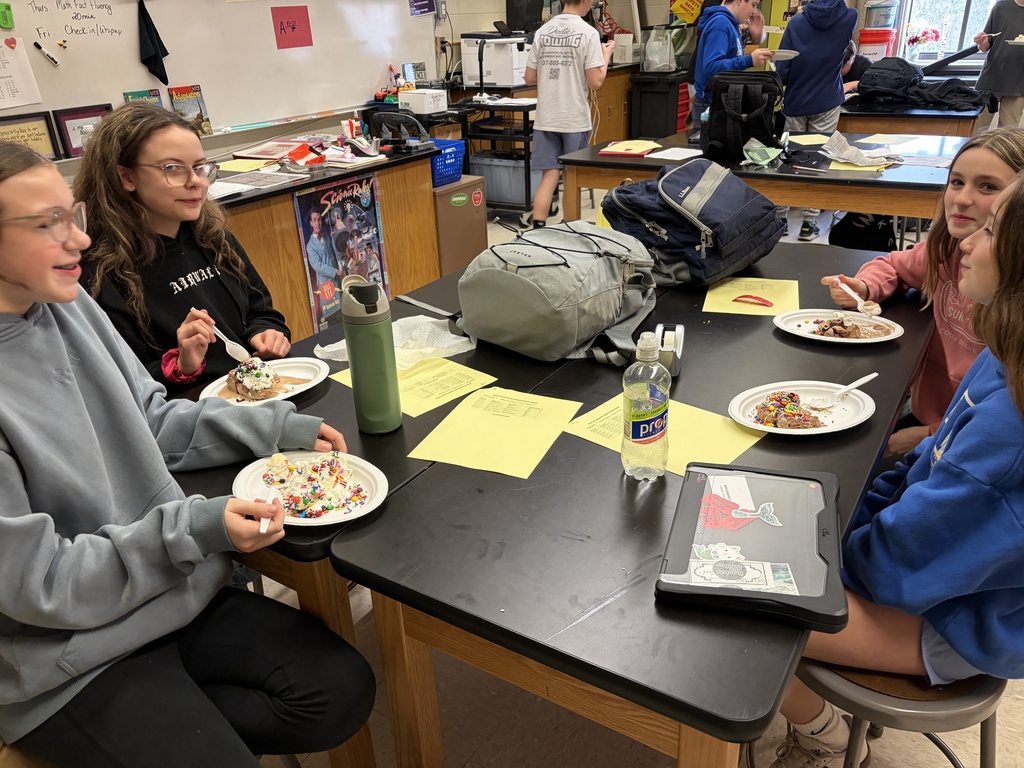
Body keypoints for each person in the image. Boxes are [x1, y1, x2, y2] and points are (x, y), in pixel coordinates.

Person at [0, 141, 376, 766]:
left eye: (75, 216)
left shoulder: (67, 305)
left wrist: (271, 428)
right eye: (48, 225)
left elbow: (149, 418)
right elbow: (40, 584)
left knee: (339, 693)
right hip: (66, 660)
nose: (81, 242)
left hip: (169, 598)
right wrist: (194, 529)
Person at [770, 174, 1024, 768]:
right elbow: (916, 478)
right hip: (942, 582)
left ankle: (823, 735)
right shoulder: (1003, 358)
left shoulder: (1007, 434)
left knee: (735, 606)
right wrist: (839, 511)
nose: (965, 239)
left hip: (958, 623)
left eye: (990, 231)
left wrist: (818, 541)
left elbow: (895, 568)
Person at [821, 127, 1024, 457]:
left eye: (988, 186)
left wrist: (927, 436)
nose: (961, 198)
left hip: (964, 437)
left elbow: (1004, 415)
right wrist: (866, 287)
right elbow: (895, 265)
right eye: (957, 182)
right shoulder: (945, 249)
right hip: (926, 411)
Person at [76, 102, 291, 395]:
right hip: (192, 417)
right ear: (126, 177)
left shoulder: (215, 238)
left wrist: (267, 333)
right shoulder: (100, 275)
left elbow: (261, 311)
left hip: (258, 392)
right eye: (173, 169)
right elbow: (124, 387)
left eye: (200, 168)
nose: (196, 183)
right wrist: (181, 365)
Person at [523, 0, 615, 228]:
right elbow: (595, 82)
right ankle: (570, 230)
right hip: (573, 118)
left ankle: (538, 229)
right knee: (571, 178)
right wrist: (605, 56)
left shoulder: (543, 31)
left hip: (547, 116)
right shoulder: (588, 32)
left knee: (550, 175)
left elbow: (529, 78)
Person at [775, 0, 857, 241]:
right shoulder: (849, 17)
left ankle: (781, 219)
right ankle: (809, 225)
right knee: (818, 161)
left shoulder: (797, 22)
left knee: (791, 160)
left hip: (797, 100)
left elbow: (783, 68)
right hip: (827, 100)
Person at [691, 0, 774, 132]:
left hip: (723, 103)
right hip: (712, 105)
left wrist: (755, 39)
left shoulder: (731, 24)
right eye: (753, 4)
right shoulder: (721, 24)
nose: (754, 11)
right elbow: (711, 67)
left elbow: (731, 60)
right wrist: (749, 61)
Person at [974, 0, 1024, 129]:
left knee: (1006, 138)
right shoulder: (1001, 7)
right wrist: (981, 41)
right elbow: (985, 46)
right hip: (991, 79)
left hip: (1018, 84)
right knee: (976, 131)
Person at [305, 206, 345, 319]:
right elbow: (319, 266)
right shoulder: (310, 246)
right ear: (311, 223)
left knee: (343, 313)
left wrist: (334, 238)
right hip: (326, 285)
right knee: (333, 317)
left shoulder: (326, 237)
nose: (317, 223)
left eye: (319, 219)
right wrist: (335, 271)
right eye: (314, 220)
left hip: (336, 281)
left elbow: (334, 254)